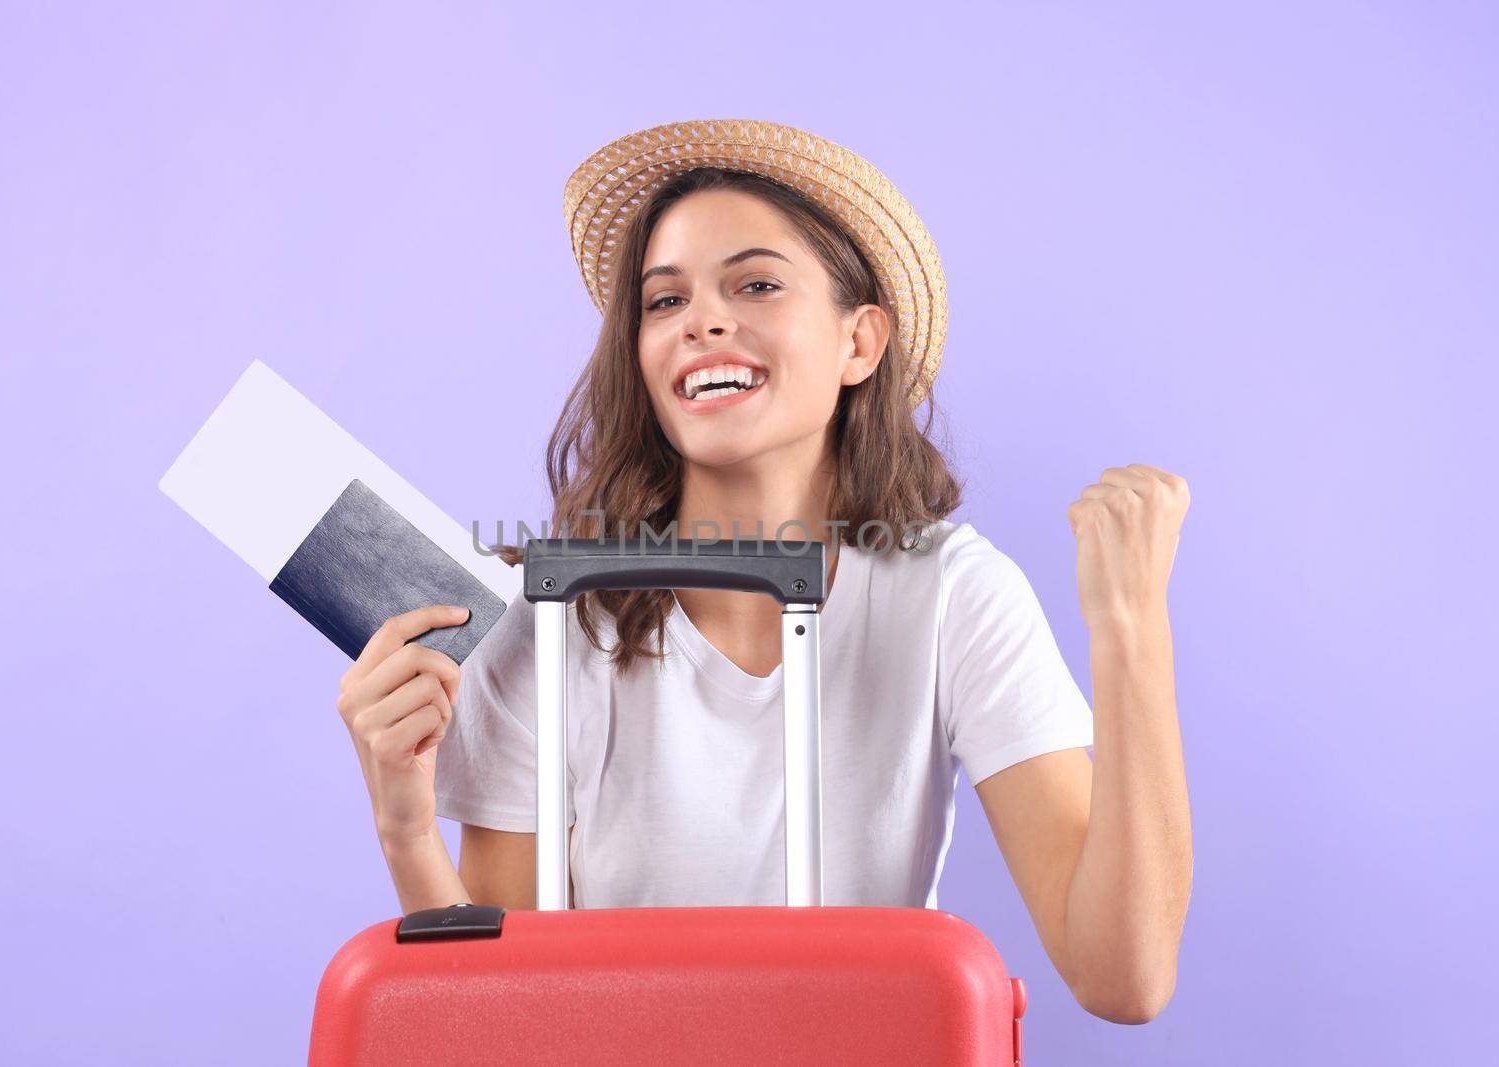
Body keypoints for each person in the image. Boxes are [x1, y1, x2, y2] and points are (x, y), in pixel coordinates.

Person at [335, 119, 1192, 1024]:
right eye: (663, 302)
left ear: (860, 344)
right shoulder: (550, 623)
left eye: (756, 283)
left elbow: (1123, 977)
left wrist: (1131, 630)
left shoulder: (949, 593)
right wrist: (405, 827)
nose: (701, 319)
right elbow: (502, 1017)